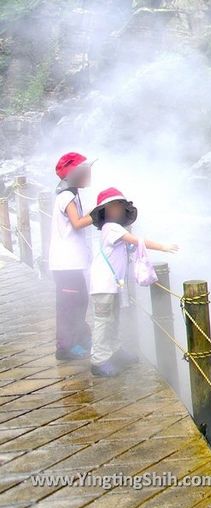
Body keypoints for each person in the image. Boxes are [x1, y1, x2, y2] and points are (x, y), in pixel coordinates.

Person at [88, 187, 178, 377]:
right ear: (104, 210)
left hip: (112, 284)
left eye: (120, 206)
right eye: (113, 206)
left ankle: (114, 351)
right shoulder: (110, 228)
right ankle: (99, 360)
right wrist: (163, 246)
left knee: (113, 319)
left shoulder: (115, 229)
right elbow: (137, 241)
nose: (118, 210)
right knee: (103, 321)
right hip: (103, 284)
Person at [49, 152, 95, 361]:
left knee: (80, 300)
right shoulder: (66, 196)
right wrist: (97, 215)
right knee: (70, 304)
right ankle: (65, 347)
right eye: (85, 172)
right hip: (65, 262)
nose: (89, 175)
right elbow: (77, 223)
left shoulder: (71, 195)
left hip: (71, 262)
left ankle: (80, 339)